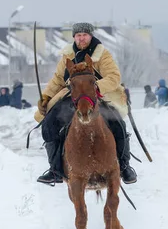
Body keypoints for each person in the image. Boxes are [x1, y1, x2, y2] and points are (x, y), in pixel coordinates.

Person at [34, 22, 137, 186]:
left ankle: (124, 167)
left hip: (98, 97)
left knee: (118, 123)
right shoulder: (67, 55)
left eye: (85, 35)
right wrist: (46, 97)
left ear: (91, 36)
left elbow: (113, 76)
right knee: (49, 123)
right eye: (78, 35)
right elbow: (58, 80)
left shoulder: (102, 54)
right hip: (71, 97)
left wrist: (97, 87)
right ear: (74, 37)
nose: (81, 38)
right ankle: (55, 170)